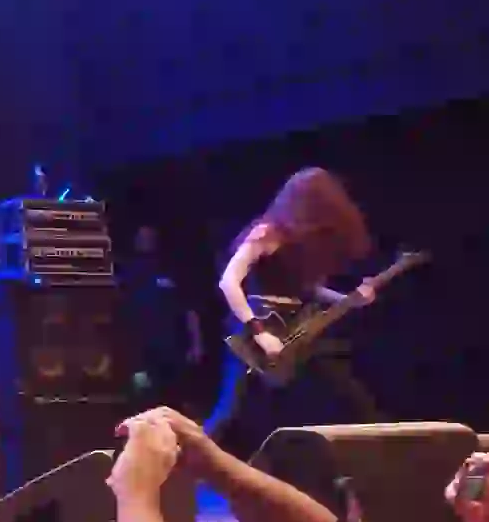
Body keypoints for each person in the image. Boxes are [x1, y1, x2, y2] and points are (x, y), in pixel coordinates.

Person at [207, 167, 384, 455]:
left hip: (294, 325)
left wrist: (350, 299)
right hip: (257, 326)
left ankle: (375, 445)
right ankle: (181, 462)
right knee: (229, 409)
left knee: (339, 383)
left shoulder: (299, 244)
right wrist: (258, 331)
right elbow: (228, 282)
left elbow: (308, 288)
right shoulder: (266, 233)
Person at [122, 225, 202, 412]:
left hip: (172, 350)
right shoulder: (128, 272)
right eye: (142, 237)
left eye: (149, 236)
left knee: (173, 402)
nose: (146, 240)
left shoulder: (170, 270)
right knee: (143, 399)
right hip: (142, 351)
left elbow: (189, 310)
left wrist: (197, 343)